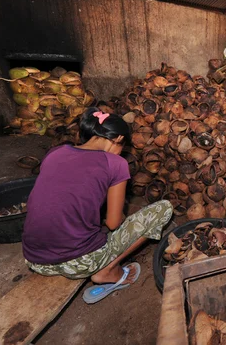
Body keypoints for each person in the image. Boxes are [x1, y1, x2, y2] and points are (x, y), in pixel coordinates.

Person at [22, 107, 173, 304]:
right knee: (163, 208)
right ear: (118, 139)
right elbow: (112, 223)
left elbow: (62, 195)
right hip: (81, 263)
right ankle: (107, 271)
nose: (122, 153)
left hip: (35, 259)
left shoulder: (56, 153)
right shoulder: (115, 163)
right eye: (123, 147)